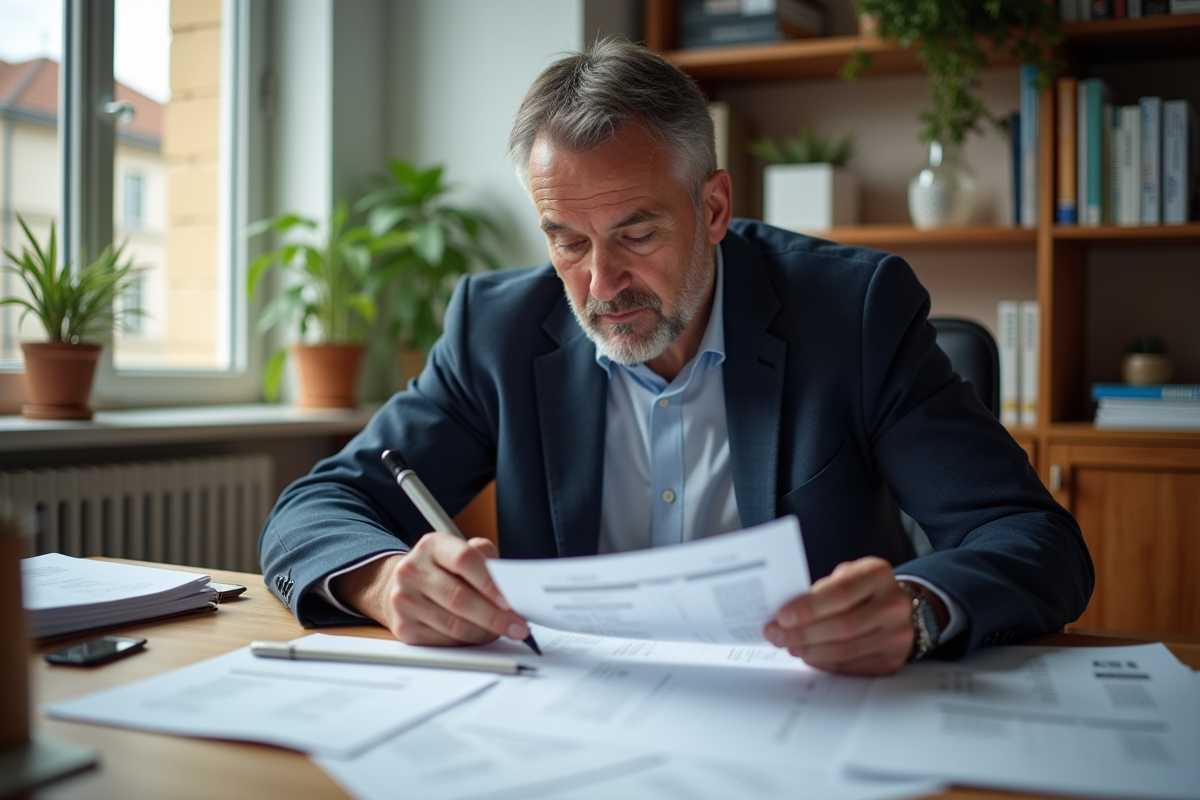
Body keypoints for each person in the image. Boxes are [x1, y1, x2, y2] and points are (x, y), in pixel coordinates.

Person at [259, 38, 1093, 676]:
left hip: (809, 725)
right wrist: (380, 581)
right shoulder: (498, 330)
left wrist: (916, 608)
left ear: (716, 205)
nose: (600, 282)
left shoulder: (854, 313)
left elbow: (1034, 539)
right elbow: (317, 507)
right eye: (566, 240)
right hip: (579, 730)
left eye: (637, 232)